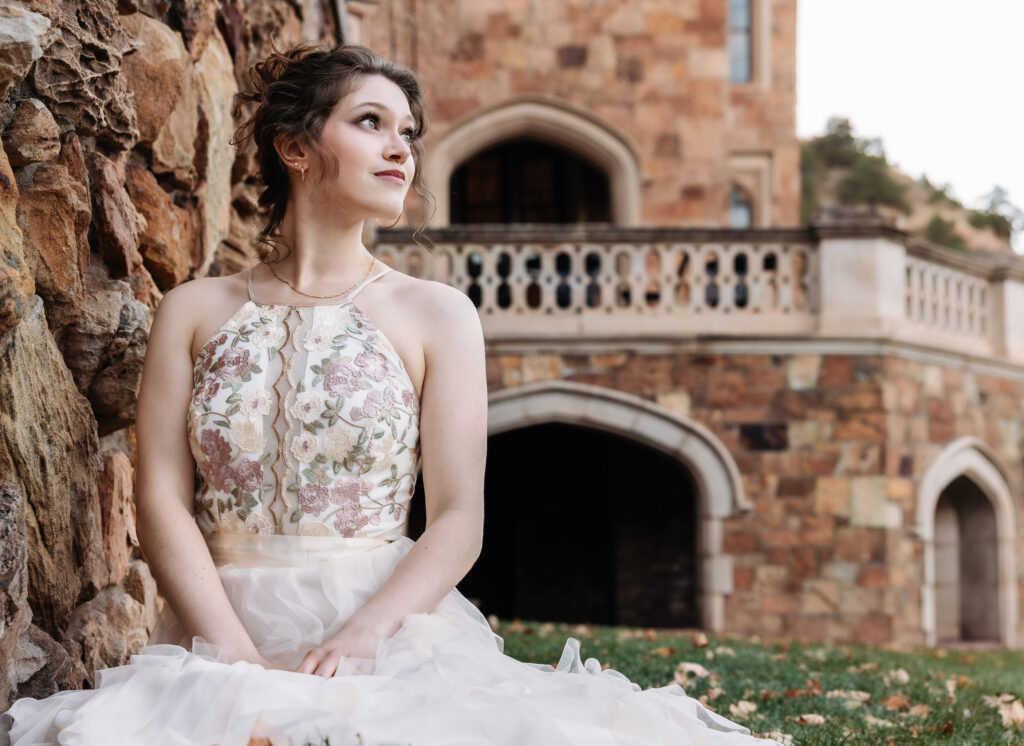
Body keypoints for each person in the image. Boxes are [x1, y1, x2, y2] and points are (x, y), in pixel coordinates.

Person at [2, 43, 781, 745]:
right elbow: (161, 499)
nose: (400, 148)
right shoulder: (194, 310)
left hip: (383, 627)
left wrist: (365, 636)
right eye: (370, 122)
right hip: (216, 623)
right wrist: (231, 655)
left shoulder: (437, 314)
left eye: (408, 131)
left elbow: (458, 516)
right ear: (294, 147)